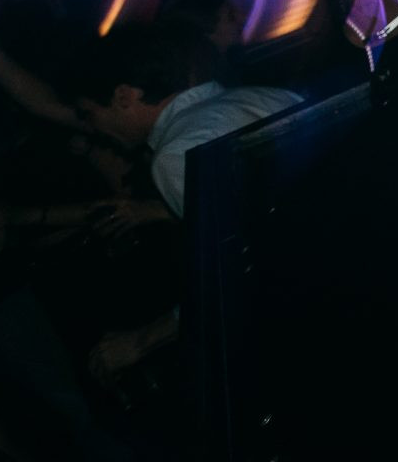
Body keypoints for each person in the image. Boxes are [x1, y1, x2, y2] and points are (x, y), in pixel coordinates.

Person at [60, 33, 303, 386]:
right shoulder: (260, 95)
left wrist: (141, 341)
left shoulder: (177, 155)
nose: (90, 127)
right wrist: (157, 210)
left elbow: (237, 273)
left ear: (124, 96)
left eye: (89, 114)